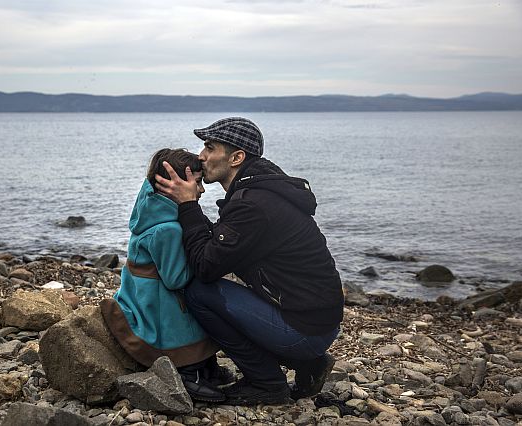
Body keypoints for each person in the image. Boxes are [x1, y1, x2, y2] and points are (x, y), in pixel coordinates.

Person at [155, 117, 344, 405]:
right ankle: (307, 363)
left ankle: (267, 383)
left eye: (209, 147)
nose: (201, 156)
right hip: (315, 320)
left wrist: (188, 205)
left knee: (198, 291)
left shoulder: (253, 204)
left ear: (236, 157)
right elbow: (220, 246)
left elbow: (206, 267)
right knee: (215, 291)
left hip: (305, 331)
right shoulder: (258, 190)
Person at [100, 148, 231, 402]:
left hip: (140, 288)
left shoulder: (151, 208)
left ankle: (205, 365)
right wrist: (200, 261)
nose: (202, 190)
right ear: (174, 185)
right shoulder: (168, 229)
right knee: (188, 322)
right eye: (197, 183)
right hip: (158, 300)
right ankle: (188, 372)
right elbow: (175, 279)